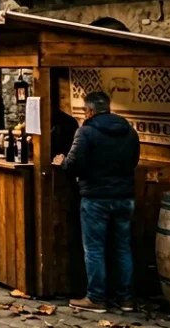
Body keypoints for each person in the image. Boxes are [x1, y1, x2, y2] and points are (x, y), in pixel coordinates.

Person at [55, 91, 140, 313]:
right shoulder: (129, 131)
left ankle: (96, 298)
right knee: (122, 248)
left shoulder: (86, 132)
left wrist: (62, 162)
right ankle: (126, 299)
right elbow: (134, 161)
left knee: (94, 249)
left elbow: (74, 164)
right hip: (125, 196)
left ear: (89, 110)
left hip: (96, 197)